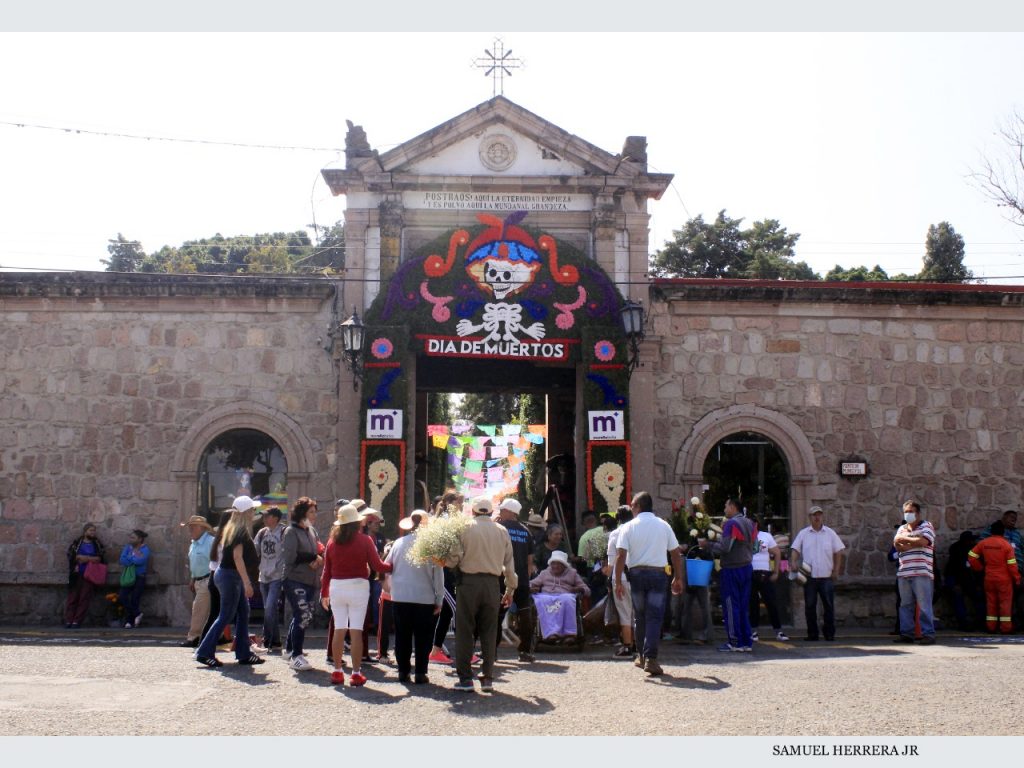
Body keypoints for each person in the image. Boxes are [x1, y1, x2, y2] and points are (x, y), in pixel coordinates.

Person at [444, 496, 517, 693]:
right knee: (489, 631)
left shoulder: (464, 528)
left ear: (473, 511)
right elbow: (509, 564)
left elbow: (453, 559)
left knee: (465, 630)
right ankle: (487, 677)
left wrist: (443, 560)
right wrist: (510, 589)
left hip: (468, 583)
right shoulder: (501, 531)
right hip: (493, 584)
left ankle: (466, 679)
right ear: (491, 512)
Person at [320, 504, 393, 686]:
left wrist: (324, 593)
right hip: (358, 587)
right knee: (356, 631)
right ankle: (355, 673)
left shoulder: (331, 542)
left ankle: (337, 672)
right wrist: (393, 565)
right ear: (357, 522)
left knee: (339, 629)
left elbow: (326, 572)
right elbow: (378, 566)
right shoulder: (365, 540)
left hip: (337, 587)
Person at [614, 491, 684, 676]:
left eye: (632, 505)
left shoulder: (627, 527)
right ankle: (651, 658)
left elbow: (620, 556)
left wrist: (618, 581)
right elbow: (675, 553)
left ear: (638, 506)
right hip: (658, 575)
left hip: (636, 574)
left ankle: (641, 656)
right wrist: (678, 577)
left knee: (639, 616)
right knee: (654, 617)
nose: (631, 508)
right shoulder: (663, 525)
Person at [194, 495, 265, 668]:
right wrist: (247, 583)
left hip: (229, 575)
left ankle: (244, 653)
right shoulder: (240, 531)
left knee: (243, 611)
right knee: (225, 615)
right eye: (252, 510)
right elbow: (237, 557)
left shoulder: (233, 529)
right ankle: (204, 652)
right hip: (230, 577)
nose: (254, 513)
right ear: (246, 512)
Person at [385, 510, 443, 684]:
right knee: (423, 637)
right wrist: (439, 599)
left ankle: (403, 671)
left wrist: (390, 588)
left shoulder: (398, 543)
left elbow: (387, 566)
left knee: (402, 635)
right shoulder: (433, 546)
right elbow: (438, 576)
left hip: (400, 596)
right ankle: (420, 672)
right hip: (424, 597)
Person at [790, 505, 846, 642]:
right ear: (810, 517)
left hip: (826, 577)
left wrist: (836, 570)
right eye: (814, 515)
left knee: (829, 606)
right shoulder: (803, 533)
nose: (817, 517)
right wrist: (793, 561)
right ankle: (812, 634)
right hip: (809, 577)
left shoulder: (830, 533)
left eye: (819, 514)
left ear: (822, 516)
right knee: (810, 607)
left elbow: (838, 551)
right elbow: (795, 549)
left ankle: (829, 633)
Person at [282, 496, 322, 672]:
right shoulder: (291, 531)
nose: (314, 515)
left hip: (310, 580)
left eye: (315, 512)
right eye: (311, 512)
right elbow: (290, 557)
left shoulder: (311, 531)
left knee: (303, 615)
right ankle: (296, 656)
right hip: (294, 579)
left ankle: (290, 649)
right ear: (302, 513)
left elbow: (319, 549)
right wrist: (313, 557)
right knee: (303, 615)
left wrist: (319, 557)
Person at [712, 499, 757, 652]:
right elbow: (755, 547)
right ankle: (746, 642)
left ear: (732, 507)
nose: (724, 509)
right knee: (743, 607)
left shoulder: (731, 524)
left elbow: (725, 548)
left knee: (731, 606)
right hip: (747, 567)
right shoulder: (750, 523)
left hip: (732, 569)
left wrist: (709, 545)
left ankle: (734, 641)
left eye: (726, 506)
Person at [496, 497, 536, 662]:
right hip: (522, 579)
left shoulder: (499, 528)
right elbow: (530, 560)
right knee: (525, 614)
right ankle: (525, 651)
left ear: (509, 512)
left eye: (502, 510)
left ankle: (491, 652)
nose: (499, 512)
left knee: (496, 615)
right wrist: (525, 579)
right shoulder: (526, 531)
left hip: (502, 578)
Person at [892, 500, 937, 644]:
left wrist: (905, 540)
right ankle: (906, 634)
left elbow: (924, 542)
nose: (908, 514)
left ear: (918, 513)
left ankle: (928, 634)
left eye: (911, 512)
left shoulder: (927, 526)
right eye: (906, 512)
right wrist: (914, 541)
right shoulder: (902, 528)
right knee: (905, 605)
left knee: (924, 605)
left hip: (921, 572)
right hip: (904, 572)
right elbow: (897, 545)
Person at [968, 521, 1021, 634]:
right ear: (1003, 532)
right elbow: (1012, 565)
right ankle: (1005, 628)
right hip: (1004, 579)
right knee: (1005, 603)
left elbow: (971, 556)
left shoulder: (984, 543)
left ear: (991, 531)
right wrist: (1017, 579)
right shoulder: (1006, 545)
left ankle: (991, 627)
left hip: (989, 578)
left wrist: (979, 568)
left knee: (991, 603)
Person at [530, 550, 590, 642]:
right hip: (547, 595)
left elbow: (587, 590)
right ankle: (551, 633)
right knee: (543, 600)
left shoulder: (572, 573)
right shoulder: (544, 573)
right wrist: (531, 588)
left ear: (564, 565)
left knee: (568, 599)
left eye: (559, 564)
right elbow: (531, 583)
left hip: (565, 595)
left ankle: (569, 633)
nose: (555, 566)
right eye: (553, 563)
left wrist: (579, 589)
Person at [750, 518, 789, 642]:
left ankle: (778, 631)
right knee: (752, 603)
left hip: (764, 572)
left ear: (756, 524)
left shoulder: (765, 536)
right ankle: (753, 631)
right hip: (749, 573)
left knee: (771, 602)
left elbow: (777, 553)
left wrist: (776, 571)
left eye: (750, 523)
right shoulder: (744, 536)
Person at [253, 506, 285, 652]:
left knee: (269, 608)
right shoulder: (262, 533)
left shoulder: (284, 532)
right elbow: (254, 550)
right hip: (263, 576)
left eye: (267, 516)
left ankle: (266, 640)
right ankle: (276, 642)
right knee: (270, 610)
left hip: (277, 576)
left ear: (276, 518)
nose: (264, 519)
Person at [179, 515, 214, 647]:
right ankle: (215, 636)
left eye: (193, 527)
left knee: (198, 609)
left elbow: (216, 562)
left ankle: (194, 637)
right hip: (199, 580)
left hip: (208, 579)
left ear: (202, 528)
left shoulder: (211, 542)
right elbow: (194, 563)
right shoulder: (193, 543)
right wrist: (192, 579)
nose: (190, 529)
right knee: (204, 610)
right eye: (190, 527)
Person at [604, 508, 635, 657]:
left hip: (620, 577)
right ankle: (637, 644)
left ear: (617, 519)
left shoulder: (615, 534)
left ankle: (627, 645)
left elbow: (612, 562)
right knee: (636, 612)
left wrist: (608, 577)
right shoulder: (637, 531)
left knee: (624, 612)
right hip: (637, 576)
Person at [64, 523, 106, 629]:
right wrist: (80, 559)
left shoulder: (97, 544)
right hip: (77, 573)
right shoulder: (77, 543)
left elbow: (100, 558)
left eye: (94, 531)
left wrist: (85, 558)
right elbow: (71, 555)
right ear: (85, 531)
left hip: (90, 574)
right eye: (90, 530)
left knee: (84, 598)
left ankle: (77, 621)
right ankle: (69, 619)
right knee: (73, 597)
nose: (93, 533)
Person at [944, 530, 982, 631]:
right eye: (972, 541)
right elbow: (953, 570)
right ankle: (964, 623)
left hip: (967, 580)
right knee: (959, 597)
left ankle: (978, 622)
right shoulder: (959, 554)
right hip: (958, 581)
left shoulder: (969, 552)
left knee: (978, 597)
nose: (974, 543)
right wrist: (956, 584)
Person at [679, 537, 714, 644]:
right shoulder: (693, 543)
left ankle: (704, 635)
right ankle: (687, 634)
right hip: (695, 571)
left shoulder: (704, 545)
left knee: (701, 606)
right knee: (688, 605)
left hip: (698, 572)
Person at [117, 530, 150, 628]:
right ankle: (137, 613)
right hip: (128, 577)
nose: (130, 539)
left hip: (139, 577)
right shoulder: (127, 547)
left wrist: (129, 558)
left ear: (140, 539)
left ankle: (129, 622)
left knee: (135, 599)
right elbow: (122, 560)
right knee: (122, 596)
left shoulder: (145, 549)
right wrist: (133, 558)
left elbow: (140, 561)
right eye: (130, 537)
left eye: (133, 538)